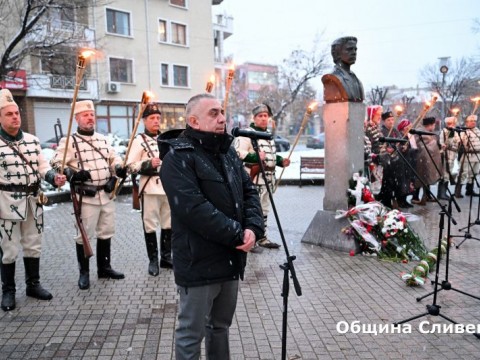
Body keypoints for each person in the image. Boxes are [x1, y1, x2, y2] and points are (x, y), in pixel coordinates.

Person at [158, 93, 264, 359]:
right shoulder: (177, 158)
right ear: (193, 121)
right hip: (198, 261)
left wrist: (253, 227)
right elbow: (194, 209)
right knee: (191, 334)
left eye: (222, 112)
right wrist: (237, 234)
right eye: (214, 113)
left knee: (220, 327)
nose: (222, 118)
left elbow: (249, 192)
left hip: (230, 258)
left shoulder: (227, 152)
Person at [0, 89, 66, 311]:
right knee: (8, 248)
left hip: (33, 201)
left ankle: (33, 285)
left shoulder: (32, 141)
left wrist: (53, 177)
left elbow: (42, 167)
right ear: (0, 117)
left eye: (16, 112)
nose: (15, 117)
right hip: (6, 203)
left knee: (33, 245)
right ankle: (8, 291)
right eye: (9, 114)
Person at [50, 100, 126, 290]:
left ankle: (104, 267)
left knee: (106, 231)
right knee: (83, 235)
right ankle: (84, 273)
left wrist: (117, 167)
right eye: (85, 115)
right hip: (86, 197)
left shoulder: (102, 139)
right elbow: (56, 162)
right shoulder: (68, 141)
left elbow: (113, 157)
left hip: (106, 194)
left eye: (92, 114)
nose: (90, 117)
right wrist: (72, 174)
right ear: (76, 119)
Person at [234, 103, 290, 249]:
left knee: (264, 210)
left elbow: (269, 156)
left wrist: (280, 161)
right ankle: (249, 238)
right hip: (253, 179)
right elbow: (238, 153)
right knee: (253, 210)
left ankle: (262, 237)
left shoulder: (267, 135)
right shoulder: (246, 133)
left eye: (266, 116)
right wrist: (255, 157)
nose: (264, 118)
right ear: (254, 118)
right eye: (260, 116)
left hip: (268, 179)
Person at [127, 103, 172, 276]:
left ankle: (166, 257)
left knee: (169, 224)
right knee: (150, 225)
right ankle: (153, 260)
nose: (156, 121)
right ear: (144, 121)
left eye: (158, 118)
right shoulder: (138, 141)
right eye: (152, 118)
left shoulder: (166, 139)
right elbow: (130, 166)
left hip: (167, 189)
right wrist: (147, 164)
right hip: (150, 188)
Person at [322, 36, 364, 103]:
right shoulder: (331, 78)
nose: (354, 52)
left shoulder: (356, 80)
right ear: (337, 53)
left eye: (355, 49)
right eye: (349, 49)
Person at [411, 117, 442, 205]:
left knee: (426, 177)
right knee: (420, 178)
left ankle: (427, 195)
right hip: (421, 159)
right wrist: (435, 145)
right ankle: (415, 196)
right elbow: (422, 146)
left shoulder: (428, 132)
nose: (434, 127)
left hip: (426, 159)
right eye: (434, 125)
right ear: (430, 125)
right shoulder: (420, 132)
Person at [456, 114, 480, 198]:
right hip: (468, 155)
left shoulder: (478, 131)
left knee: (474, 173)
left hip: (477, 155)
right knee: (463, 173)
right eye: (471, 121)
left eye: (474, 121)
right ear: (467, 122)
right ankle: (458, 191)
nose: (473, 123)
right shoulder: (463, 131)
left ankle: (469, 190)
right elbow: (458, 141)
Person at [438, 116, 461, 200]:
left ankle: (444, 193)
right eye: (450, 123)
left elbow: (458, 141)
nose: (452, 125)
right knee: (445, 175)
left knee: (449, 173)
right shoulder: (444, 131)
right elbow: (441, 142)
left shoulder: (454, 132)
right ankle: (441, 193)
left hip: (453, 154)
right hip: (446, 154)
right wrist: (443, 145)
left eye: (453, 123)